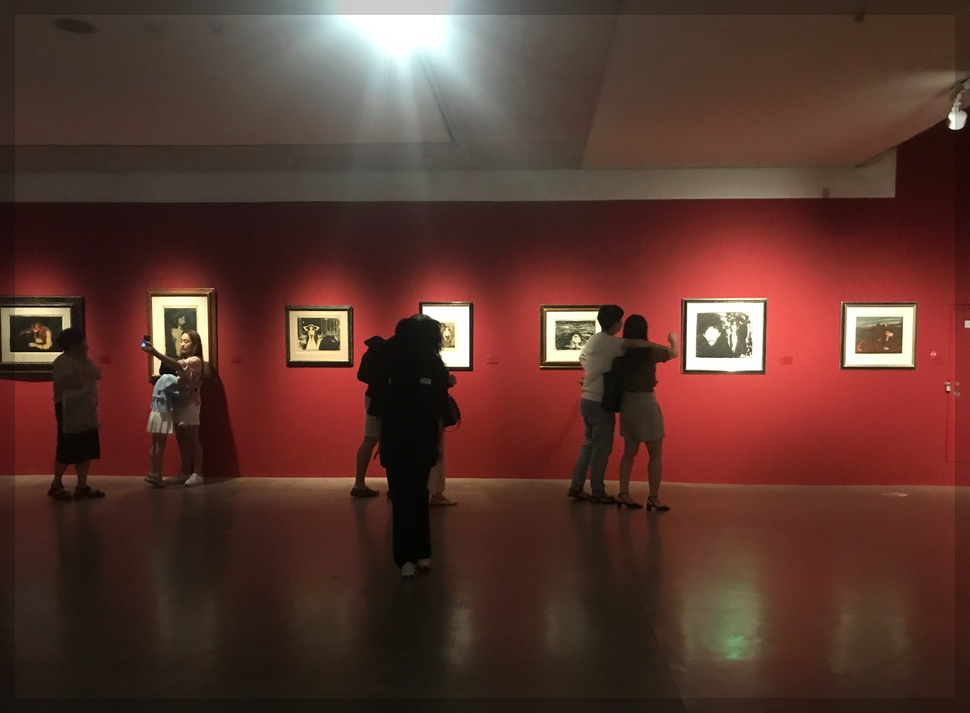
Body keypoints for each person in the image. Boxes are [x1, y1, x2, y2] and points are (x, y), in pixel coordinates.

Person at [372, 315, 451, 578]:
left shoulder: (390, 364)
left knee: (402, 498)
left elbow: (380, 411)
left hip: (397, 438)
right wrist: (438, 443)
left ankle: (406, 558)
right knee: (418, 496)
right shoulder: (432, 364)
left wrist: (382, 441)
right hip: (421, 438)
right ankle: (421, 553)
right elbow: (439, 411)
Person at [611, 315, 678, 510]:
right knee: (655, 453)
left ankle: (624, 493)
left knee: (629, 452)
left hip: (628, 401)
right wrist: (673, 339)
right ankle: (653, 497)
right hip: (646, 401)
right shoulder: (650, 351)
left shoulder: (620, 351)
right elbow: (672, 353)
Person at [569, 304, 629, 504]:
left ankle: (576, 486)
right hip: (600, 401)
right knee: (601, 448)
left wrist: (590, 374)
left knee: (588, 445)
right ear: (615, 323)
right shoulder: (614, 343)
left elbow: (582, 356)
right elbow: (635, 344)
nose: (621, 323)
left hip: (586, 399)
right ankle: (597, 491)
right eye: (620, 320)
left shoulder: (594, 339)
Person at [142, 330, 205, 487]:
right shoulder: (185, 360)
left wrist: (155, 353)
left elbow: (178, 366)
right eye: (181, 340)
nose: (182, 344)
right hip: (179, 403)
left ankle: (198, 473)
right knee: (182, 441)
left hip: (190, 405)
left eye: (186, 341)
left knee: (193, 439)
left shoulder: (195, 360)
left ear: (195, 344)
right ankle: (185, 471)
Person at [48, 328, 105, 501]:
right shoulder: (62, 362)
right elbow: (74, 381)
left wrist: (85, 363)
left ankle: (81, 485)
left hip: (86, 409)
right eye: (83, 342)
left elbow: (98, 374)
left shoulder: (84, 361)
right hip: (68, 409)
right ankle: (56, 483)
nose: (86, 345)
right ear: (74, 344)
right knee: (66, 447)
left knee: (85, 447)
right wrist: (85, 371)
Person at [352, 334, 388, 498]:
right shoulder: (389, 353)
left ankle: (359, 483)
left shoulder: (370, 353)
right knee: (381, 440)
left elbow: (362, 375)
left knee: (369, 439)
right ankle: (393, 487)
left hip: (372, 396)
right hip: (383, 398)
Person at [143, 363, 180, 488]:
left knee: (154, 444)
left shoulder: (159, 379)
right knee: (160, 445)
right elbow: (181, 390)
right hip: (163, 413)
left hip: (154, 412)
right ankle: (157, 475)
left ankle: (151, 472)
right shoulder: (169, 378)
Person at [428, 372, 458, 506]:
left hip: (419, 413)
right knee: (436, 451)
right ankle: (436, 492)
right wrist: (447, 383)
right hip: (432, 414)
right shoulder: (432, 365)